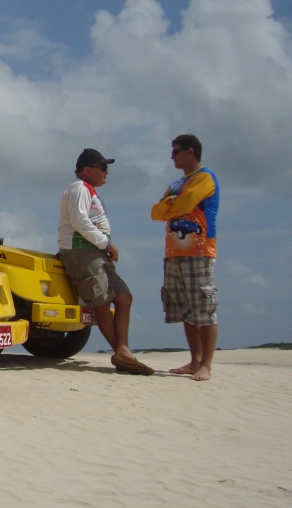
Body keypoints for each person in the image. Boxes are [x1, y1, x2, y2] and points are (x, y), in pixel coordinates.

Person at [58, 149, 153, 375]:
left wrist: (104, 246)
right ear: (88, 170)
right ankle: (122, 353)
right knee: (100, 302)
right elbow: (79, 220)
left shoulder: (89, 191)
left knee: (123, 297)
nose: (106, 172)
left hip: (96, 252)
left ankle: (122, 350)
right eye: (102, 168)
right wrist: (106, 243)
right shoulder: (78, 188)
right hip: (81, 252)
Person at [151, 134, 219, 381]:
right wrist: (172, 202)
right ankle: (194, 361)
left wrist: (172, 204)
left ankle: (206, 365)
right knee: (187, 310)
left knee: (204, 307)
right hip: (174, 252)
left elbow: (187, 204)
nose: (172, 156)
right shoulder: (176, 185)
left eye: (176, 151)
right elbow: (156, 213)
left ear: (190, 152)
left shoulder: (205, 178)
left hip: (200, 251)